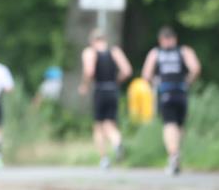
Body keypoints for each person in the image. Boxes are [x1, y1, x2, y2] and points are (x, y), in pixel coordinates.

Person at [141, 26, 201, 175]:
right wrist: (188, 81)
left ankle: (173, 155)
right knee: (179, 125)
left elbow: (146, 74)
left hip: (165, 92)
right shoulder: (184, 51)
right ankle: (176, 155)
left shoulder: (156, 53)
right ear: (175, 39)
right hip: (181, 91)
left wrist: (154, 83)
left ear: (161, 40)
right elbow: (195, 68)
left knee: (169, 125)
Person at [78, 29, 132, 168]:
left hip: (100, 89)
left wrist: (84, 85)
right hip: (113, 89)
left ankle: (104, 159)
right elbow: (127, 70)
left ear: (92, 41)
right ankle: (117, 142)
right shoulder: (115, 51)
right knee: (110, 123)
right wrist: (116, 81)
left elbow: (89, 71)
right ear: (105, 40)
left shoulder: (90, 52)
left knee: (98, 126)